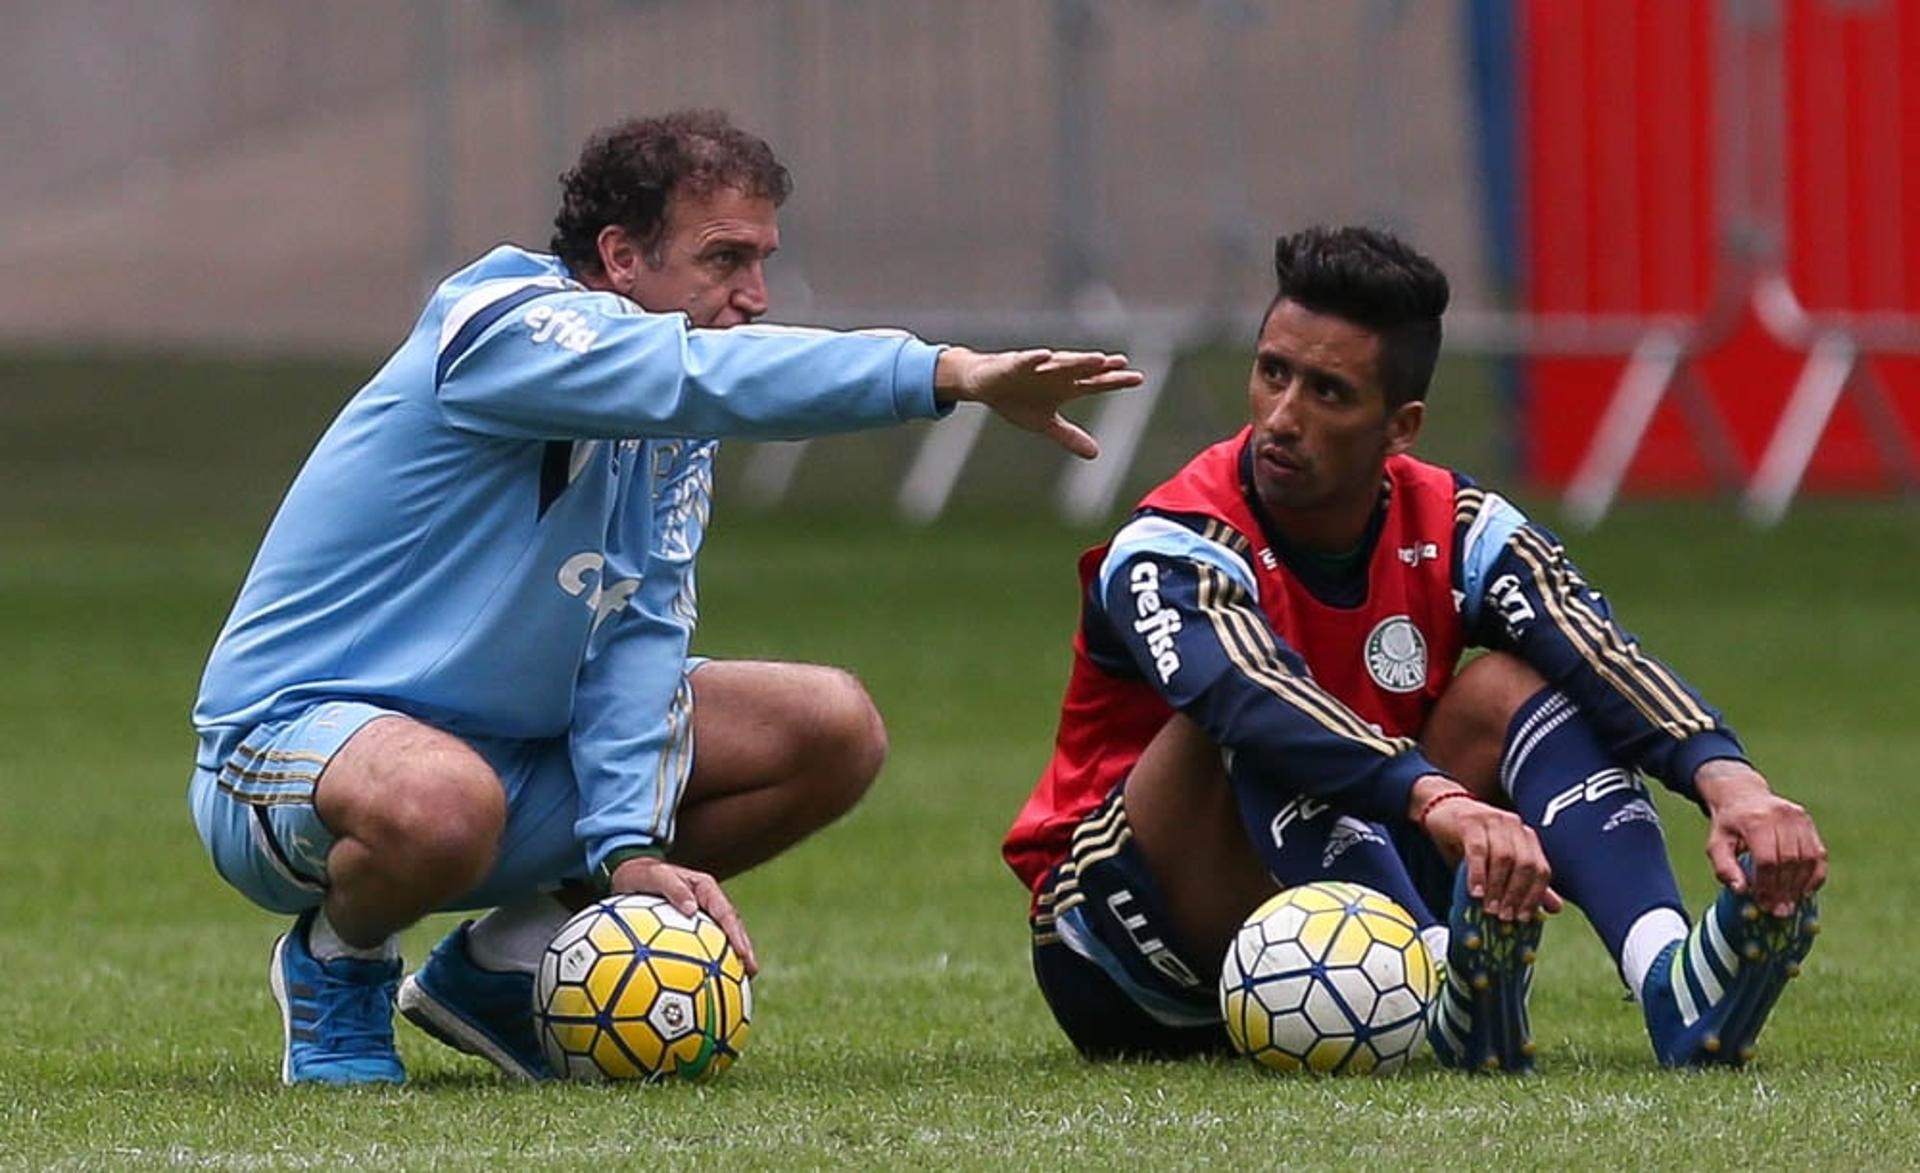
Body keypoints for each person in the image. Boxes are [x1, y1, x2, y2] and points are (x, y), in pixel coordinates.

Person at [189, 109, 1142, 1085]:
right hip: (293, 746)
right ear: (621, 256)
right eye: (724, 258)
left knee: (829, 727)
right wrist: (946, 372)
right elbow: (691, 371)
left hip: (507, 756)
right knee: (442, 802)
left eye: (764, 260)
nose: (754, 297)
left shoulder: (671, 428)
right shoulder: (496, 326)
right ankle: (338, 961)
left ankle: (504, 969)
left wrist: (627, 849)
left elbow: (637, 631)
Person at [1003, 225, 1826, 1072]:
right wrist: (1436, 798)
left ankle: (1667, 975)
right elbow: (1240, 693)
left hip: (1353, 889)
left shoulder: (1455, 523)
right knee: (1258, 716)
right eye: (1272, 372)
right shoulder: (1173, 539)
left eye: (1328, 393)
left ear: (1401, 425)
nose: (1282, 417)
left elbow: (1593, 643)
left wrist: (1734, 782)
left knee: (1517, 683)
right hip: (1126, 950)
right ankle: (1439, 978)